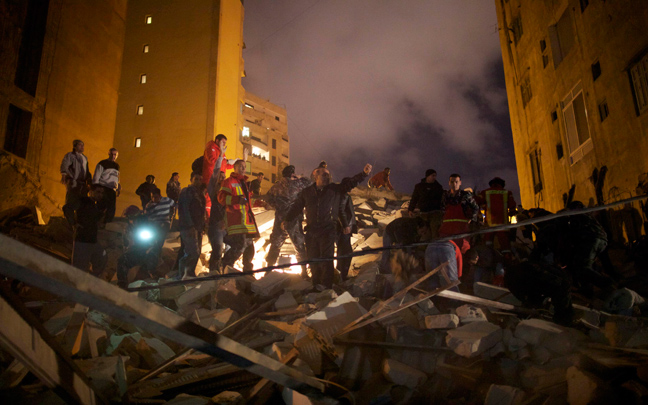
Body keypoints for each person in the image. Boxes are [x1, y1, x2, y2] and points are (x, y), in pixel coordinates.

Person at [285, 163, 373, 289]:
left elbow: (350, 183)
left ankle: (326, 286)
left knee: (327, 260)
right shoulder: (307, 192)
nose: (327, 177)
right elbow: (297, 207)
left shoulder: (333, 189)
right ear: (315, 175)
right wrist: (287, 219)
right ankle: (316, 285)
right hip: (311, 231)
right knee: (313, 259)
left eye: (328, 175)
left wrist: (363, 174)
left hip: (327, 231)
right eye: (324, 175)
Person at [265, 165, 312, 277]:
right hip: (294, 219)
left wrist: (278, 206)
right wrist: (299, 177)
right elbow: (310, 182)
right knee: (299, 246)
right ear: (292, 174)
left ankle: (268, 270)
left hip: (280, 219)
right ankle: (304, 272)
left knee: (275, 245)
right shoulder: (298, 184)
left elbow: (268, 199)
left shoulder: (276, 186)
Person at [218, 160, 259, 271]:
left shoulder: (244, 183)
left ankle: (247, 271)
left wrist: (263, 203)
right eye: (240, 166)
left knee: (250, 247)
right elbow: (221, 198)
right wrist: (236, 200)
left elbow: (249, 200)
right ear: (235, 167)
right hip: (236, 221)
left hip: (247, 222)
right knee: (239, 245)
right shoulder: (229, 182)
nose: (243, 168)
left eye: (244, 167)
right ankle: (225, 266)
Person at [116, 208, 163, 288]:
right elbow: (126, 243)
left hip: (148, 250)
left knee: (151, 257)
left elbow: (154, 242)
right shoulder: (129, 228)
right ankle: (122, 284)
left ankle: (154, 276)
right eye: (130, 219)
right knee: (122, 260)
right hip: (136, 252)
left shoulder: (147, 226)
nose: (132, 221)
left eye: (134, 219)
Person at [439, 173, 481, 254]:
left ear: (460, 182)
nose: (454, 184)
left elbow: (475, 208)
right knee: (446, 251)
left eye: (456, 182)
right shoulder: (445, 196)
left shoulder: (465, 195)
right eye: (452, 182)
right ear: (449, 183)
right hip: (446, 230)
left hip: (461, 230)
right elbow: (442, 210)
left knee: (463, 251)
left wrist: (471, 219)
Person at [70, 185, 107, 277]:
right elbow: (67, 208)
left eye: (102, 193)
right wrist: (73, 223)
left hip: (92, 241)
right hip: (82, 240)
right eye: (98, 192)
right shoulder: (83, 201)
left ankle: (91, 278)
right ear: (91, 192)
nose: (100, 195)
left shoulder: (94, 205)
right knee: (79, 268)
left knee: (102, 257)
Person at [177, 172, 206, 279]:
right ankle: (182, 274)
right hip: (188, 227)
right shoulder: (187, 192)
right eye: (196, 179)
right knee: (192, 252)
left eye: (200, 179)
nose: (198, 181)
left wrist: (202, 226)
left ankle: (189, 273)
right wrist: (190, 225)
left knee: (197, 252)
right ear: (191, 179)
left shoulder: (200, 193)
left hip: (198, 227)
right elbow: (185, 209)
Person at [477, 177, 517, 254]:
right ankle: (507, 260)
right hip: (503, 225)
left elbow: (476, 203)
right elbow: (512, 207)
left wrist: (480, 215)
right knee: (505, 246)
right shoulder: (507, 193)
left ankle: (489, 261)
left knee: (488, 245)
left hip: (489, 225)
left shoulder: (485, 192)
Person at [61, 139, 92, 224]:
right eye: (80, 145)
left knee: (82, 204)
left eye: (83, 145)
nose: (82, 147)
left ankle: (78, 223)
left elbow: (87, 171)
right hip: (73, 182)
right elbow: (65, 164)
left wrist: (89, 182)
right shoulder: (70, 156)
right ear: (75, 146)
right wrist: (64, 174)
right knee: (71, 202)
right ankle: (70, 222)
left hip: (82, 185)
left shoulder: (84, 158)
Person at [408, 169, 444, 236]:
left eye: (435, 176)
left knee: (435, 232)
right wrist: (410, 209)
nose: (434, 177)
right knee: (425, 234)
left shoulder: (438, 187)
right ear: (427, 176)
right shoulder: (419, 187)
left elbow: (442, 199)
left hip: (435, 213)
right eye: (433, 175)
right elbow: (414, 198)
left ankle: (435, 245)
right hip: (423, 213)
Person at [206, 150, 226, 273]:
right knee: (218, 250)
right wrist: (220, 157)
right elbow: (214, 173)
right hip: (215, 226)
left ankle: (224, 271)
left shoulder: (227, 192)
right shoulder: (213, 191)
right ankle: (213, 273)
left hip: (227, 226)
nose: (222, 179)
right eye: (220, 177)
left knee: (232, 248)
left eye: (224, 178)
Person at [93, 148, 121, 224]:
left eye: (115, 154)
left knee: (111, 208)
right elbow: (97, 175)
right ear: (108, 154)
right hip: (103, 187)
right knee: (101, 206)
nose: (113, 156)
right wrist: (96, 187)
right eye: (111, 154)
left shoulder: (116, 166)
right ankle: (96, 222)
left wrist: (118, 188)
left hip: (112, 189)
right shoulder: (103, 163)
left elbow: (117, 177)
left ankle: (108, 223)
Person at [336, 193, 357, 281]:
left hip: (344, 228)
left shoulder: (343, 195)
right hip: (344, 229)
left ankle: (340, 275)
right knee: (346, 252)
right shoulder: (343, 195)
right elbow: (341, 210)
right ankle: (341, 276)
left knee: (342, 251)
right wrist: (346, 225)